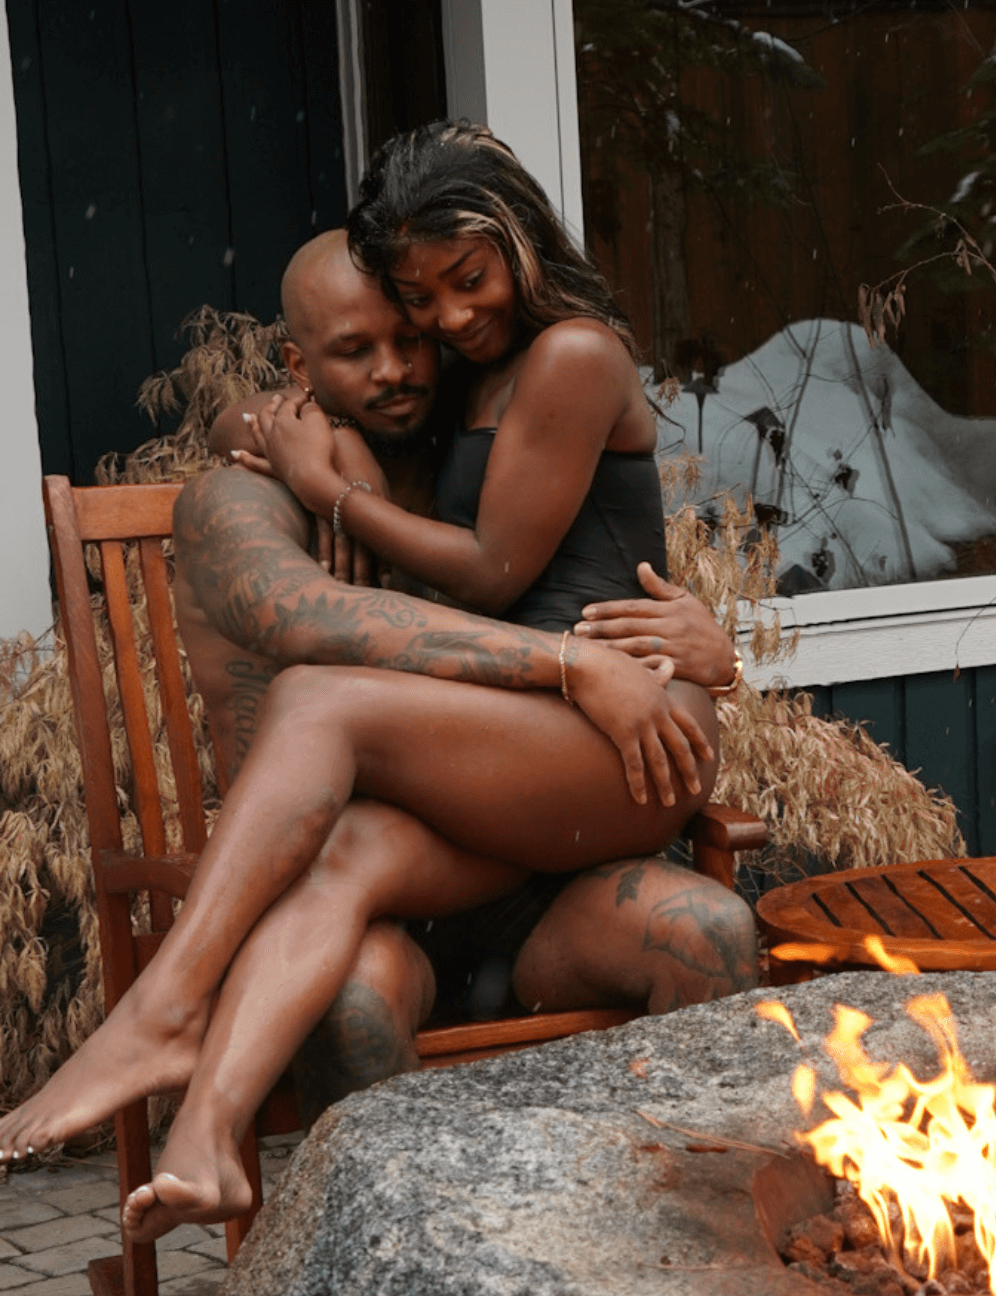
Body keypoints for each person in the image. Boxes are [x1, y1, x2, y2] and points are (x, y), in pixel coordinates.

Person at [0, 125, 748, 1241]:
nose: (430, 335)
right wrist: (292, 442)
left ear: (515, 241)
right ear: (301, 367)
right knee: (343, 847)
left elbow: (502, 568)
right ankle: (208, 1140)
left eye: (455, 292)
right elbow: (266, 447)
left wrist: (337, 494)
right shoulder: (427, 402)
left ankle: (164, 1012)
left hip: (604, 756)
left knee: (319, 698)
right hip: (498, 778)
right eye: (405, 311)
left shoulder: (560, 360)